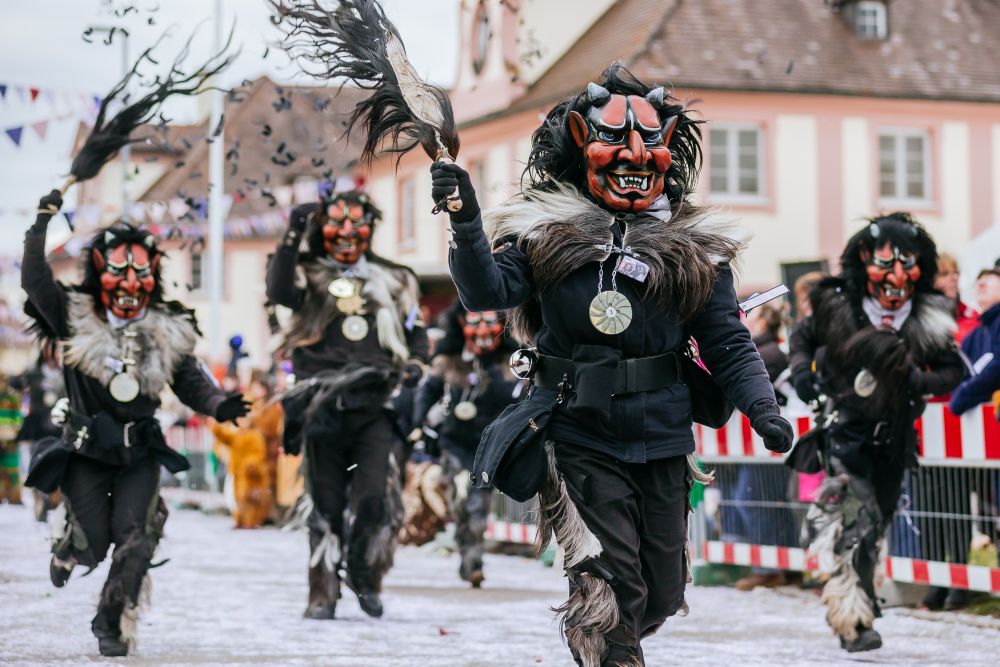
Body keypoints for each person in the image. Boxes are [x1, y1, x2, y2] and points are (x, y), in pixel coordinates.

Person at [431, 64, 792, 666]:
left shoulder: (695, 249)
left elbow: (727, 340)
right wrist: (466, 221)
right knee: (607, 582)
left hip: (664, 433)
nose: (633, 154)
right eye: (614, 138)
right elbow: (485, 291)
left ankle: (610, 643)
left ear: (669, 146)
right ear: (579, 139)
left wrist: (764, 409)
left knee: (660, 592)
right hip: (579, 431)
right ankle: (608, 646)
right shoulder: (545, 234)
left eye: (650, 141)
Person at [20, 190, 249, 657]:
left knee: (136, 539)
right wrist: (40, 226)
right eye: (118, 270)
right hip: (86, 453)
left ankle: (110, 621)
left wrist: (219, 404)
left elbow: (190, 381)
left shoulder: (168, 327)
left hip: (139, 455)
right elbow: (35, 281)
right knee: (94, 542)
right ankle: (69, 545)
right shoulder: (73, 317)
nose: (129, 281)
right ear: (99, 272)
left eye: (140, 271)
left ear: (154, 277)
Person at [789, 213, 964, 652]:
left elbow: (953, 369)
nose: (897, 276)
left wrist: (913, 382)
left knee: (878, 520)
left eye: (909, 263)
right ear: (863, 260)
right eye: (885, 263)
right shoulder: (836, 304)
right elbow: (801, 338)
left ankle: (862, 598)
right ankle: (852, 621)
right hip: (846, 429)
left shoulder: (930, 315)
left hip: (897, 435)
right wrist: (801, 371)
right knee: (854, 516)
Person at [266, 191, 428, 620]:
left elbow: (417, 334)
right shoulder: (305, 275)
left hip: (375, 408)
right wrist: (293, 233)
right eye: (337, 225)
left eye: (358, 225)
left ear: (370, 230)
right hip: (320, 408)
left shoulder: (395, 278)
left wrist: (415, 363)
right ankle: (322, 591)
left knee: (376, 499)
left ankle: (363, 572)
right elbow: (279, 291)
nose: (348, 235)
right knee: (326, 505)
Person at [412, 303, 521, 587]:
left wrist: (490, 372)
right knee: (459, 502)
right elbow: (427, 393)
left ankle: (473, 561)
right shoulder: (447, 361)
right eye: (475, 322)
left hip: (488, 448)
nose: (482, 330)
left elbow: (516, 398)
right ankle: (466, 550)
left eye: (489, 322)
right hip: (454, 444)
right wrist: (419, 421)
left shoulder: (509, 362)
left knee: (476, 506)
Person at [950, 268, 1000, 417]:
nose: (982, 283)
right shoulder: (973, 337)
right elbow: (962, 374)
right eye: (979, 280)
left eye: (990, 279)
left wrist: (964, 394)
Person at [935, 253, 979, 343]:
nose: (954, 278)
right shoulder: (925, 319)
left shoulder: (972, 315)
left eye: (956, 273)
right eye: (944, 274)